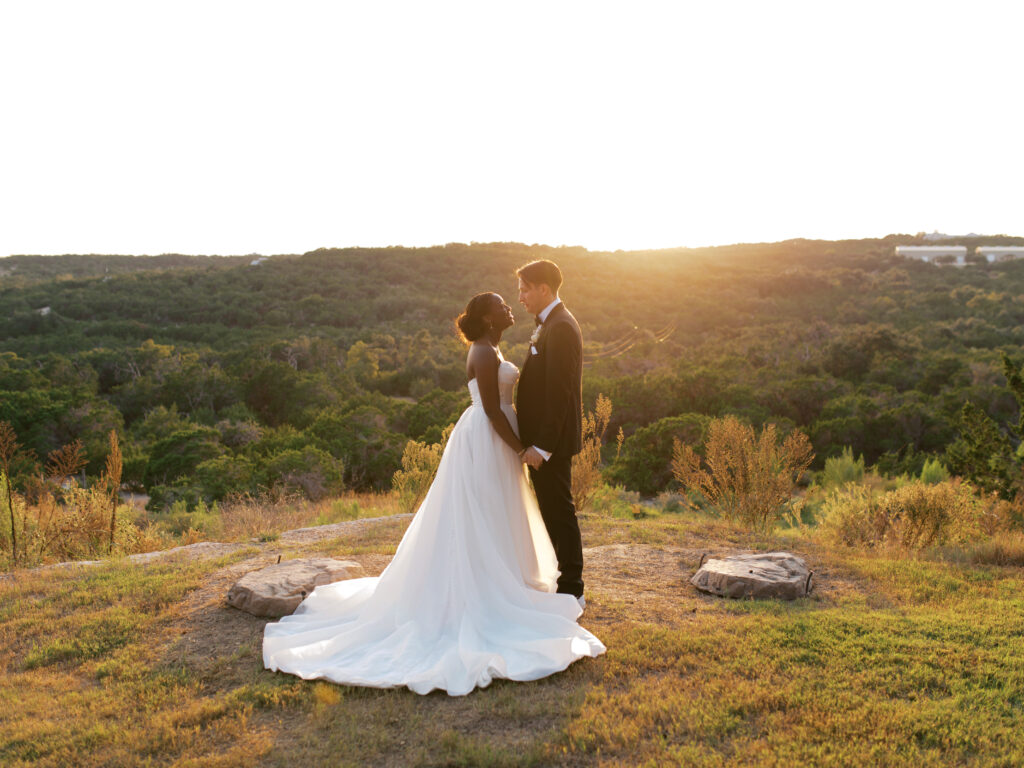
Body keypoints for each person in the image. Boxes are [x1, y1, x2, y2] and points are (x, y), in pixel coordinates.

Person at [262, 292, 604, 696]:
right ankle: (482, 588)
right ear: (487, 318)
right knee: (484, 511)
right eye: (501, 304)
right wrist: (519, 448)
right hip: (489, 439)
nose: (510, 306)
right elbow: (493, 411)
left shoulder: (492, 347)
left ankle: (505, 577)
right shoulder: (483, 352)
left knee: (496, 511)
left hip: (495, 439)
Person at [515, 260, 586, 606]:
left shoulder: (561, 328)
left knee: (560, 511)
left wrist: (542, 446)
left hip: (551, 443)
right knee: (552, 510)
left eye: (525, 289)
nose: (521, 296)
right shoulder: (550, 325)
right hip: (544, 441)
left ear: (544, 288)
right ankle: (564, 581)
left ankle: (573, 589)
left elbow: (560, 393)